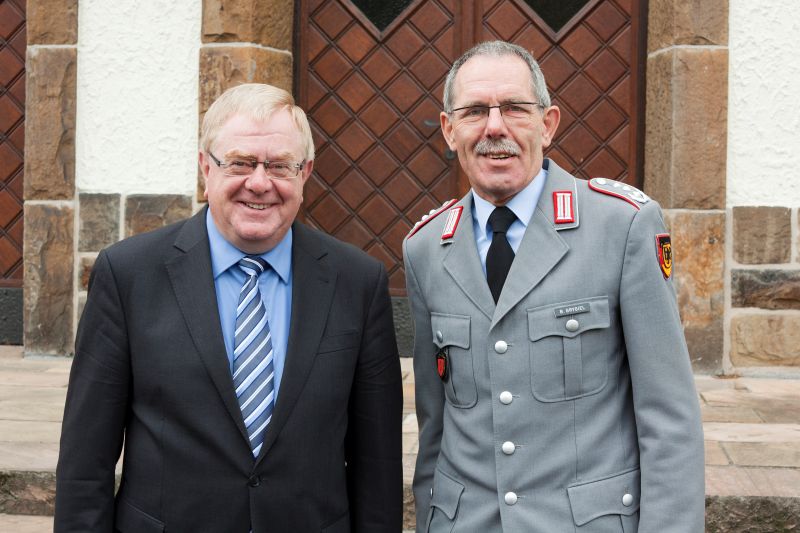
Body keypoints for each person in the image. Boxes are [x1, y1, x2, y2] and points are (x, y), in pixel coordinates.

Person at [55, 83, 403, 532]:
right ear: (205, 167)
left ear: (306, 173)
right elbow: (86, 458)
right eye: (240, 162)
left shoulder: (358, 282)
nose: (259, 183)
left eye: (279, 165)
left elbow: (377, 462)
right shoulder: (128, 275)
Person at [403, 41, 704, 532]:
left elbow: (669, 421)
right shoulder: (425, 248)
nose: (494, 128)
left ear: (547, 124)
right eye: (475, 111)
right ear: (448, 129)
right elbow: (435, 426)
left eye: (515, 109)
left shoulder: (621, 226)